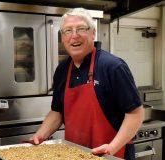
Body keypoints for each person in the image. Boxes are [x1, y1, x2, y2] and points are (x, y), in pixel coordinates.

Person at [30, 8, 144, 159]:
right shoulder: (62, 69)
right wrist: (39, 136)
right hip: (77, 154)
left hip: (113, 154)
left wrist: (111, 148)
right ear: (62, 38)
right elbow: (57, 112)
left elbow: (136, 114)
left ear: (93, 32)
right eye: (68, 31)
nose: (74, 36)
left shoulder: (112, 66)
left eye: (81, 29)